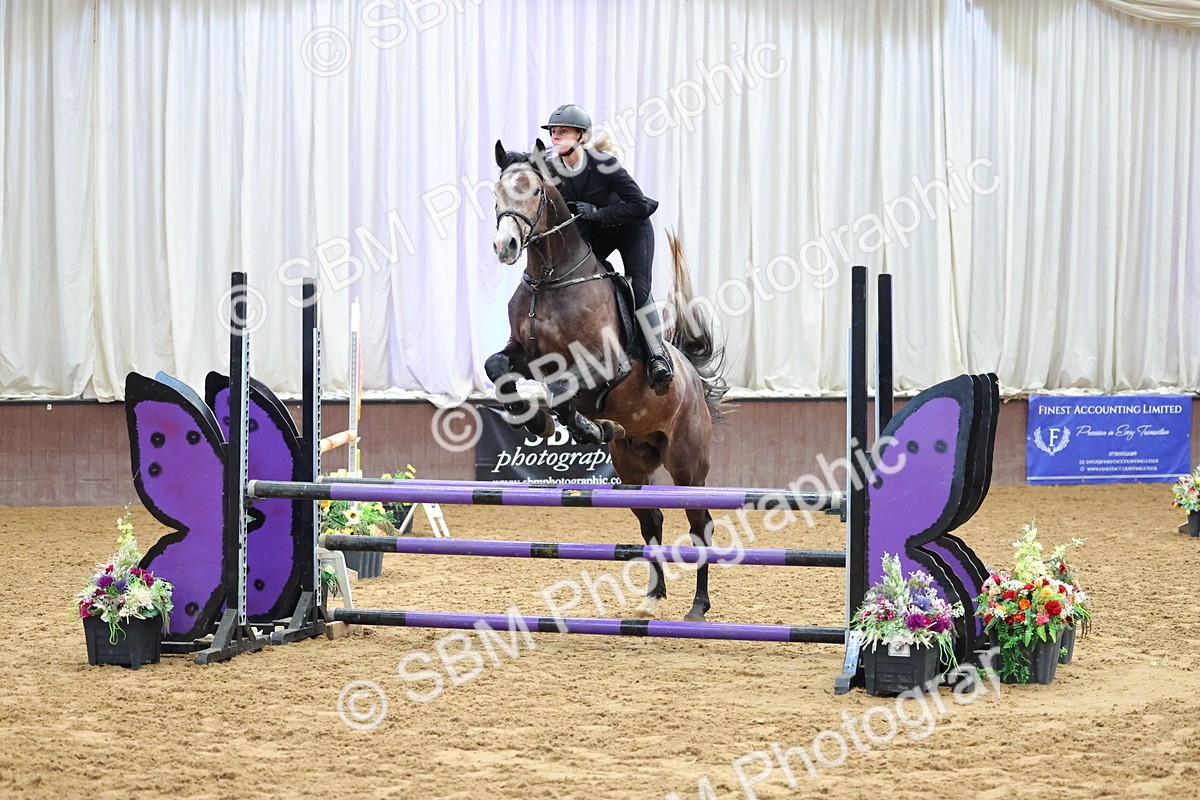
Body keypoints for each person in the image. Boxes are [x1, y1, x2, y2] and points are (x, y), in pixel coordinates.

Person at [539, 103, 674, 393]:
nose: (557, 137)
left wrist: (598, 213)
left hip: (631, 229)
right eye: (554, 133)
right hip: (598, 233)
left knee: (638, 289)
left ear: (581, 137)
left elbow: (639, 205)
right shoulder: (552, 170)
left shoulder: (604, 164)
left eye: (563, 132)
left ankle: (657, 356)